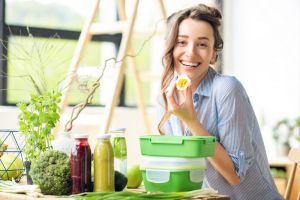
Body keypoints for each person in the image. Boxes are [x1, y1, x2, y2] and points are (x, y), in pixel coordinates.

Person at [157, 4, 283, 200]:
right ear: (170, 47)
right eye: (182, 42)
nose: (190, 52)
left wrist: (192, 122)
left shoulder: (226, 89)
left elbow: (234, 175)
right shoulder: (167, 95)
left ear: (214, 53)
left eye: (202, 44)